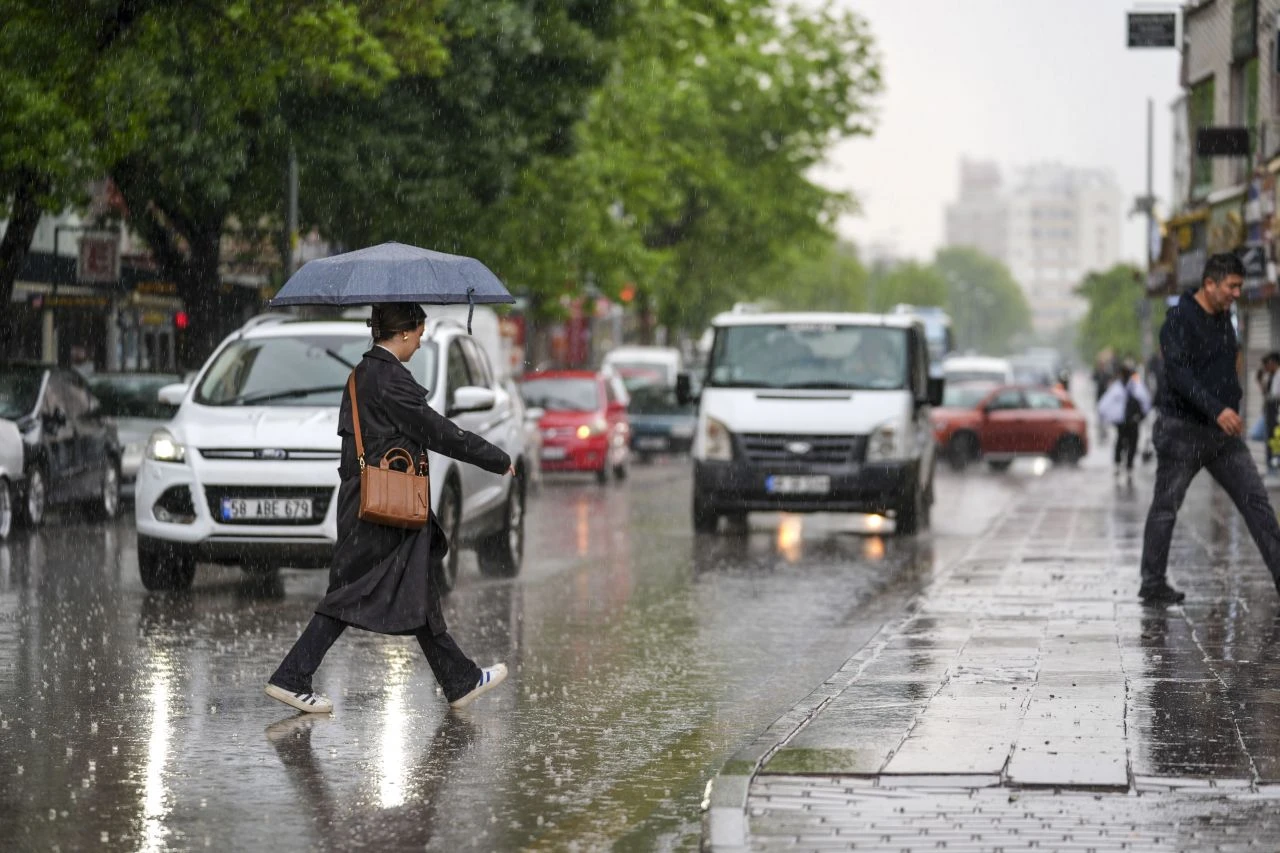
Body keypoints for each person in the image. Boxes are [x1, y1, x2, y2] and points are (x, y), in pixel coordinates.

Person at [266, 303, 516, 713]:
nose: (419, 342)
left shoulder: (361, 375)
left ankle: (460, 680)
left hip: (366, 500)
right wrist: (494, 457)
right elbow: (438, 431)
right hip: (388, 506)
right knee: (350, 594)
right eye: (419, 333)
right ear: (403, 333)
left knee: (413, 588)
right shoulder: (389, 380)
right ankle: (291, 676)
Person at [1138, 253, 1280, 606]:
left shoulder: (1223, 320)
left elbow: (1227, 368)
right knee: (1166, 507)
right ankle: (1152, 583)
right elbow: (1180, 376)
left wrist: (1231, 404)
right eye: (1231, 286)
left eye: (1239, 287)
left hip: (1221, 437)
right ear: (1210, 284)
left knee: (1257, 503)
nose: (1236, 293)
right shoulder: (1178, 320)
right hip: (1182, 431)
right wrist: (1217, 409)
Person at [1097, 363, 1152, 479]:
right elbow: (1104, 405)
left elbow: (1145, 402)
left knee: (1129, 444)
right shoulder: (1119, 387)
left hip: (1132, 421)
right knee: (1123, 443)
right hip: (1123, 422)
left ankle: (1127, 466)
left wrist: (1141, 417)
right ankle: (1122, 465)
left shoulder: (1134, 386)